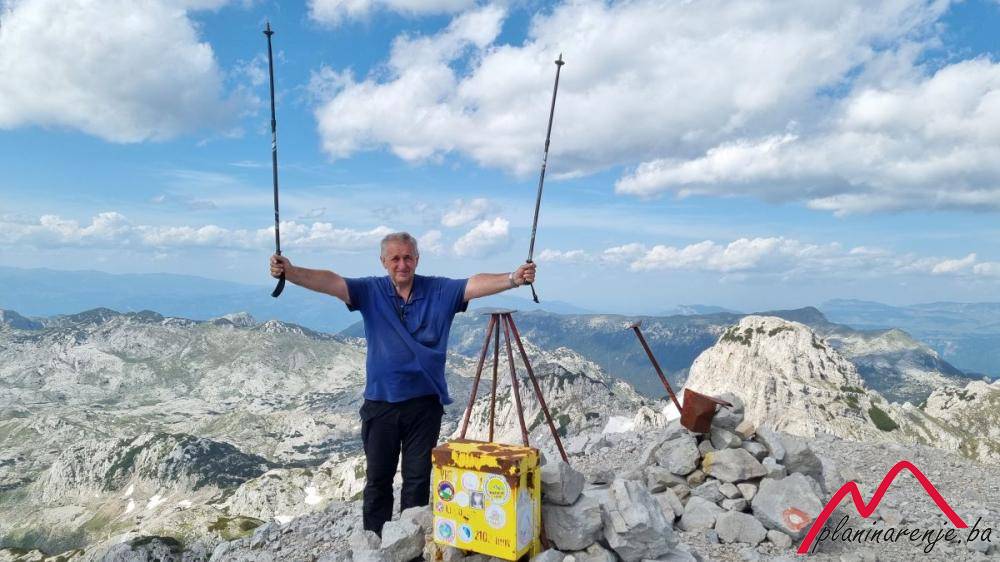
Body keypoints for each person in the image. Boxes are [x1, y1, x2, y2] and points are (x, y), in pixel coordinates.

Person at [269, 232, 536, 535]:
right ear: (383, 261)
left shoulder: (438, 290)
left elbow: (473, 284)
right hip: (381, 404)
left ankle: (410, 544)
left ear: (417, 259)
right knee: (378, 481)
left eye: (408, 257)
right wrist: (291, 272)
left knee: (417, 481)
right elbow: (331, 282)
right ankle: (374, 544)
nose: (402, 264)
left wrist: (513, 278)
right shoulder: (370, 290)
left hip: (424, 405)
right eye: (395, 258)